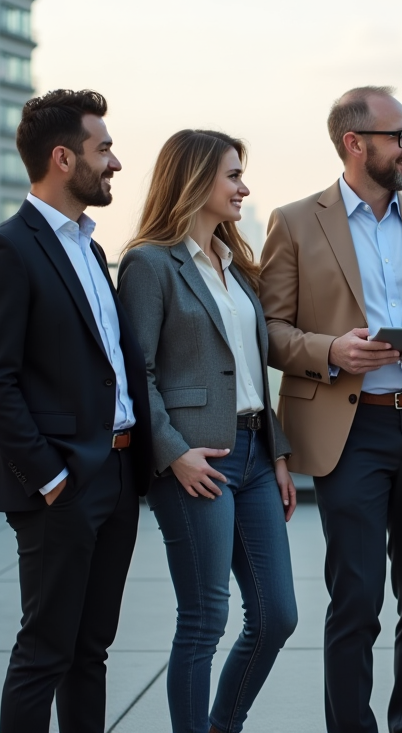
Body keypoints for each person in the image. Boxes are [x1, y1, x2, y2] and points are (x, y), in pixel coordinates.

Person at [257, 86, 402, 733]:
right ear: (355, 144)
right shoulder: (296, 221)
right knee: (355, 599)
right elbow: (267, 328)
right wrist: (330, 350)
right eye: (401, 134)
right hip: (348, 430)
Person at [0, 89, 153, 733]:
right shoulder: (6, 250)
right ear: (63, 158)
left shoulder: (92, 250)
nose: (116, 163)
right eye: (104, 150)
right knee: (45, 652)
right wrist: (50, 478)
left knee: (90, 653)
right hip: (63, 484)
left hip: (120, 475)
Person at [117, 130, 298, 733]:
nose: (244, 187)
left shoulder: (235, 264)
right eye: (232, 175)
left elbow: (250, 370)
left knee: (277, 615)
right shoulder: (149, 263)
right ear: (195, 180)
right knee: (203, 619)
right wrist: (173, 455)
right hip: (196, 459)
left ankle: (223, 725)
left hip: (253, 453)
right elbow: (137, 372)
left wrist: (275, 452)